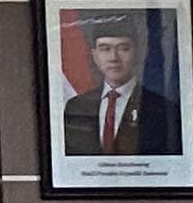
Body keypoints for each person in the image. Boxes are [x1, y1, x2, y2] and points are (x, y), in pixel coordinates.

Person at [58, 18, 182, 160]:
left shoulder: (163, 109)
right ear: (94, 55)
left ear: (137, 53)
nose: (114, 58)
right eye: (105, 49)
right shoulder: (76, 106)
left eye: (123, 48)